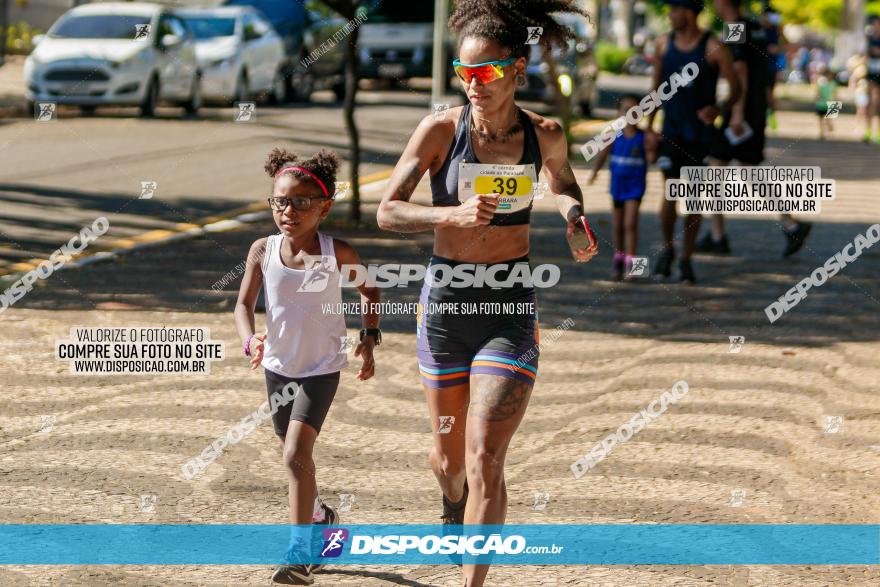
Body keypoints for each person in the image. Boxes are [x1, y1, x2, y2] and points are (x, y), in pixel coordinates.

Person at [376, 1, 597, 584]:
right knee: (451, 462)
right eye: (464, 73)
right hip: (447, 303)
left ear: (516, 69)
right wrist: (450, 215)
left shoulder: (543, 133)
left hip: (509, 305)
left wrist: (574, 220)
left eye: (487, 73)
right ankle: (454, 505)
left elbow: (564, 184)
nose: (474, 85)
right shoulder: (440, 131)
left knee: (486, 458)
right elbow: (386, 211)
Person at [234, 147, 381, 585]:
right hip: (278, 366)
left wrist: (369, 339)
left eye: (301, 203)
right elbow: (243, 304)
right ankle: (322, 517)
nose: (288, 211)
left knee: (297, 453)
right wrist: (249, 340)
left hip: (321, 367)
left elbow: (370, 293)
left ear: (324, 208)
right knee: (292, 455)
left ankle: (299, 557)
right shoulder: (263, 249)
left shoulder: (338, 252)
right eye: (280, 201)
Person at [645, 0, 740, 283]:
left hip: (699, 135)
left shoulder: (713, 46)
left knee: (695, 197)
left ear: (688, 13)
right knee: (669, 192)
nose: (670, 16)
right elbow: (656, 90)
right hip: (670, 132)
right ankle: (668, 250)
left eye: (674, 10)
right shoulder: (664, 44)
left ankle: (686, 258)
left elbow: (736, 88)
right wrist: (649, 128)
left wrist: (719, 109)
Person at [588, 94, 656, 280]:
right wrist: (595, 172)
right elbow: (603, 155)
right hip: (617, 185)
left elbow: (651, 159)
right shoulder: (613, 135)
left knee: (630, 224)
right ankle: (618, 259)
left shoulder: (643, 137)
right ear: (619, 112)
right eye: (626, 110)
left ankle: (634, 265)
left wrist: (652, 146)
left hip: (635, 186)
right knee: (617, 225)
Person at [865, 15, 880, 144]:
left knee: (878, 103)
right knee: (869, 102)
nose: (874, 27)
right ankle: (868, 131)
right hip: (871, 72)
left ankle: (878, 133)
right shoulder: (869, 38)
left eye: (876, 24)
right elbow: (866, 55)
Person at [814, 62, 837, 140]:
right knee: (824, 119)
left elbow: (817, 93)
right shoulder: (831, 83)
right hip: (823, 104)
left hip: (825, 103)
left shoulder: (822, 82)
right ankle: (822, 132)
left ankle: (824, 130)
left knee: (825, 119)